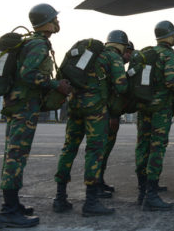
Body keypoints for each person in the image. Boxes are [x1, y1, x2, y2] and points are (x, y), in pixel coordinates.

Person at [0, 3, 72, 229]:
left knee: (13, 154)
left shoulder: (32, 42)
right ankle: (9, 212)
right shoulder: (38, 44)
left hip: (18, 104)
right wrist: (55, 84)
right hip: (23, 108)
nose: (58, 22)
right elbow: (28, 74)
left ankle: (12, 205)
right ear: (47, 21)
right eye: (55, 18)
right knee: (16, 156)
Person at [53, 30, 128, 217]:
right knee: (95, 151)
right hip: (95, 110)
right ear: (122, 45)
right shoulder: (113, 57)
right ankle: (91, 202)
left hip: (75, 106)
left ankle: (60, 198)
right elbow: (122, 86)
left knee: (69, 148)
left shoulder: (90, 54)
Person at [135, 21, 174, 211]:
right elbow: (171, 82)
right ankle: (151, 195)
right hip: (160, 109)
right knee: (156, 148)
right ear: (169, 36)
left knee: (142, 145)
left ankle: (142, 192)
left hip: (144, 105)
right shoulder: (168, 54)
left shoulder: (145, 53)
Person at [99, 40, 135, 195]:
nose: (129, 56)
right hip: (107, 114)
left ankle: (98, 181)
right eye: (129, 52)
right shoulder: (116, 61)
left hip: (93, 109)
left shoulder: (102, 58)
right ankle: (96, 185)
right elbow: (120, 88)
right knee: (102, 150)